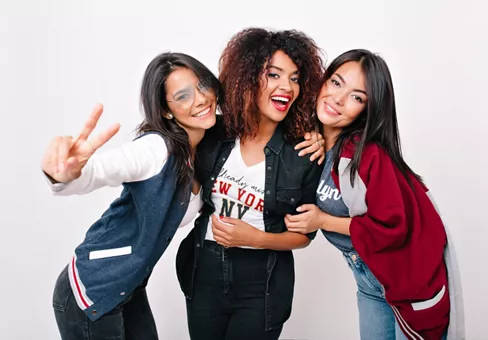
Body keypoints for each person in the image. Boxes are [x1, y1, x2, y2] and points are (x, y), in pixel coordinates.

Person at [285, 49, 465, 340]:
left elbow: (391, 227)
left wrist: (322, 220)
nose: (338, 99)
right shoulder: (311, 143)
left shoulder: (367, 154)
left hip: (408, 278)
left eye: (357, 97)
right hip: (369, 280)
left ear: (367, 110)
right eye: (336, 83)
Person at [43, 52, 222, 340]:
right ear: (166, 111)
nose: (201, 99)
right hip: (91, 291)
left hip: (129, 288)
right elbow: (100, 171)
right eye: (184, 96)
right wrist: (65, 174)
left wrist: (321, 137)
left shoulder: (207, 142)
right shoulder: (155, 149)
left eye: (202, 85)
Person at [176, 28, 325, 340]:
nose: (287, 86)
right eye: (273, 75)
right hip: (204, 272)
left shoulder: (303, 153)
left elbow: (304, 236)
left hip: (263, 283)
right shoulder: (214, 135)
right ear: (246, 77)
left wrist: (257, 238)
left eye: (295, 78)